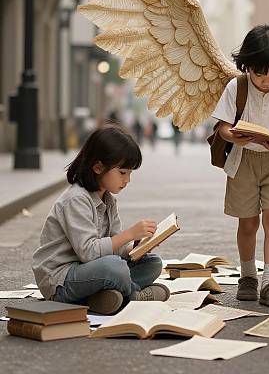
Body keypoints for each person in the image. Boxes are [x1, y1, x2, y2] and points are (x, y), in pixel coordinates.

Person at [212, 24, 269, 307]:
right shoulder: (235, 87)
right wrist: (234, 138)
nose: (267, 80)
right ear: (247, 65)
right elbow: (223, 127)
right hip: (244, 162)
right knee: (249, 222)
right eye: (260, 73)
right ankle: (248, 276)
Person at [32, 124, 170, 315]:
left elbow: (116, 247)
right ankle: (134, 297)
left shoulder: (108, 200)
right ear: (98, 167)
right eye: (122, 172)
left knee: (152, 263)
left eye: (130, 173)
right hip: (60, 281)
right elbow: (88, 252)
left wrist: (138, 247)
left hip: (89, 272)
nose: (127, 180)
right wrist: (129, 233)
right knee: (115, 267)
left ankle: (100, 298)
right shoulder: (76, 200)